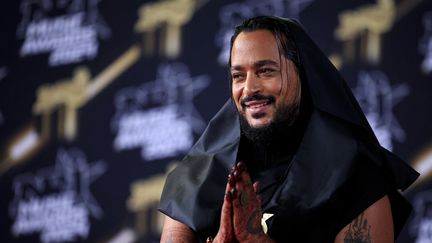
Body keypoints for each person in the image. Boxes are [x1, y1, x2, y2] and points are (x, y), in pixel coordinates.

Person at [158, 16, 419, 242]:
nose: (249, 89)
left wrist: (255, 239)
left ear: (303, 75)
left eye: (266, 71)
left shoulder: (357, 178)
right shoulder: (198, 175)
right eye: (238, 76)